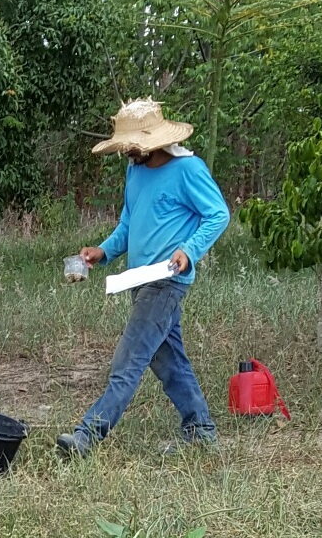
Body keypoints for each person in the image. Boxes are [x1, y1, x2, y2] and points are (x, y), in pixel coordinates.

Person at [58, 98, 231, 459]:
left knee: (129, 359)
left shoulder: (189, 169)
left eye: (130, 146)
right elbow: (128, 225)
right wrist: (102, 251)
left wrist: (190, 249)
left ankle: (87, 435)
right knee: (168, 359)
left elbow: (218, 215)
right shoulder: (135, 172)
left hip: (167, 281)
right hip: (138, 281)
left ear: (151, 141)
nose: (126, 153)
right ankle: (201, 430)